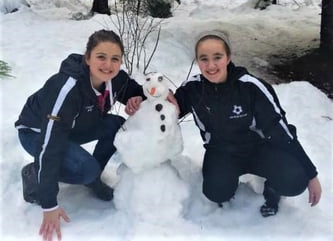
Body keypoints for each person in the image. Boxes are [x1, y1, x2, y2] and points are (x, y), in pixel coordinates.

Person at [170, 30, 322, 217]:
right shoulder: (192, 89)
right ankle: (228, 182)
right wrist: (150, 98)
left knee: (296, 181)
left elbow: (280, 130)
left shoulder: (251, 87)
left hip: (260, 150)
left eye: (217, 57)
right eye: (204, 58)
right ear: (197, 61)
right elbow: (167, 112)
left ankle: (272, 190)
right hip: (221, 152)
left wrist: (311, 173)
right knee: (215, 192)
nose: (211, 65)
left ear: (228, 58)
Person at [15, 29, 145, 241]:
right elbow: (49, 143)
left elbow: (139, 92)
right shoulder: (67, 88)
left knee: (117, 125)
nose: (108, 65)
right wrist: (49, 203)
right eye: (101, 57)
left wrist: (139, 98)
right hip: (37, 134)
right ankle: (35, 175)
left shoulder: (116, 79)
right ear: (87, 58)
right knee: (85, 168)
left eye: (115, 59)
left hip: (73, 127)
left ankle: (91, 178)